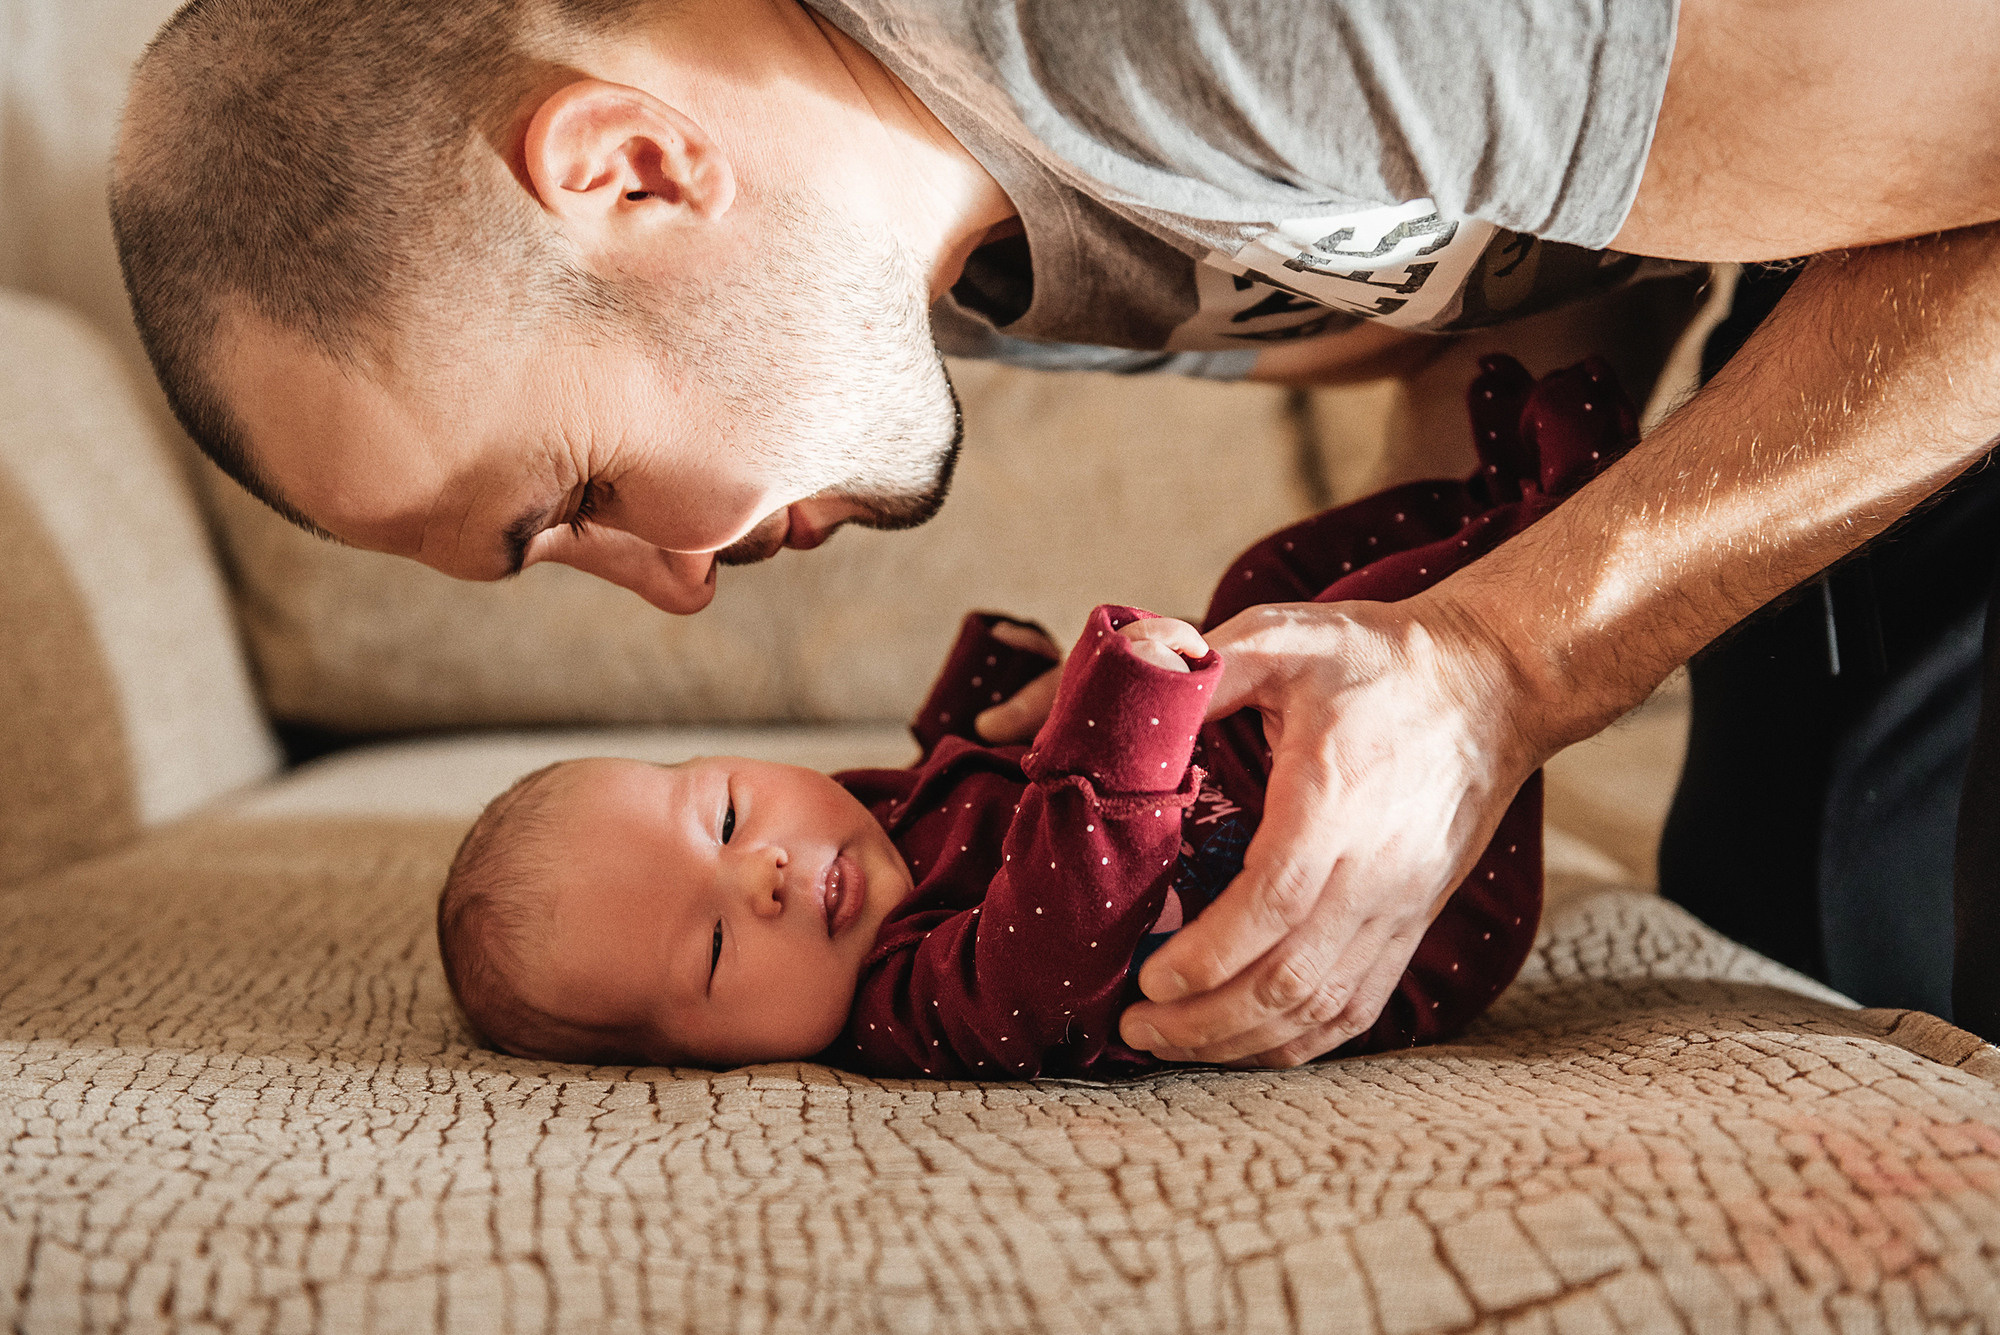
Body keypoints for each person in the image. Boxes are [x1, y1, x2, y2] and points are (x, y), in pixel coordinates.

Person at [109, 0, 2000, 1066]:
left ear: (632, 170)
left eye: (580, 496)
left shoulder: (1191, 33)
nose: (677, 586)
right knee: (1796, 911)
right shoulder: (952, 266)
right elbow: (1536, 275)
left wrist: (1513, 660)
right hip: (1837, 269)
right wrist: (1409, 646)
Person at [435, 355, 1627, 1075]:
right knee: (1313, 624)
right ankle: (1562, 516)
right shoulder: (912, 1010)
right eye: (709, 952)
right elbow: (1051, 940)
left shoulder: (863, 830)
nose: (762, 878)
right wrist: (1115, 723)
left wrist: (979, 695)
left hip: (1277, 789)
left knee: (1268, 590)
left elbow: (958, 779)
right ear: (699, 1061)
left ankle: (1493, 509)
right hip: (1389, 907)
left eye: (728, 815)